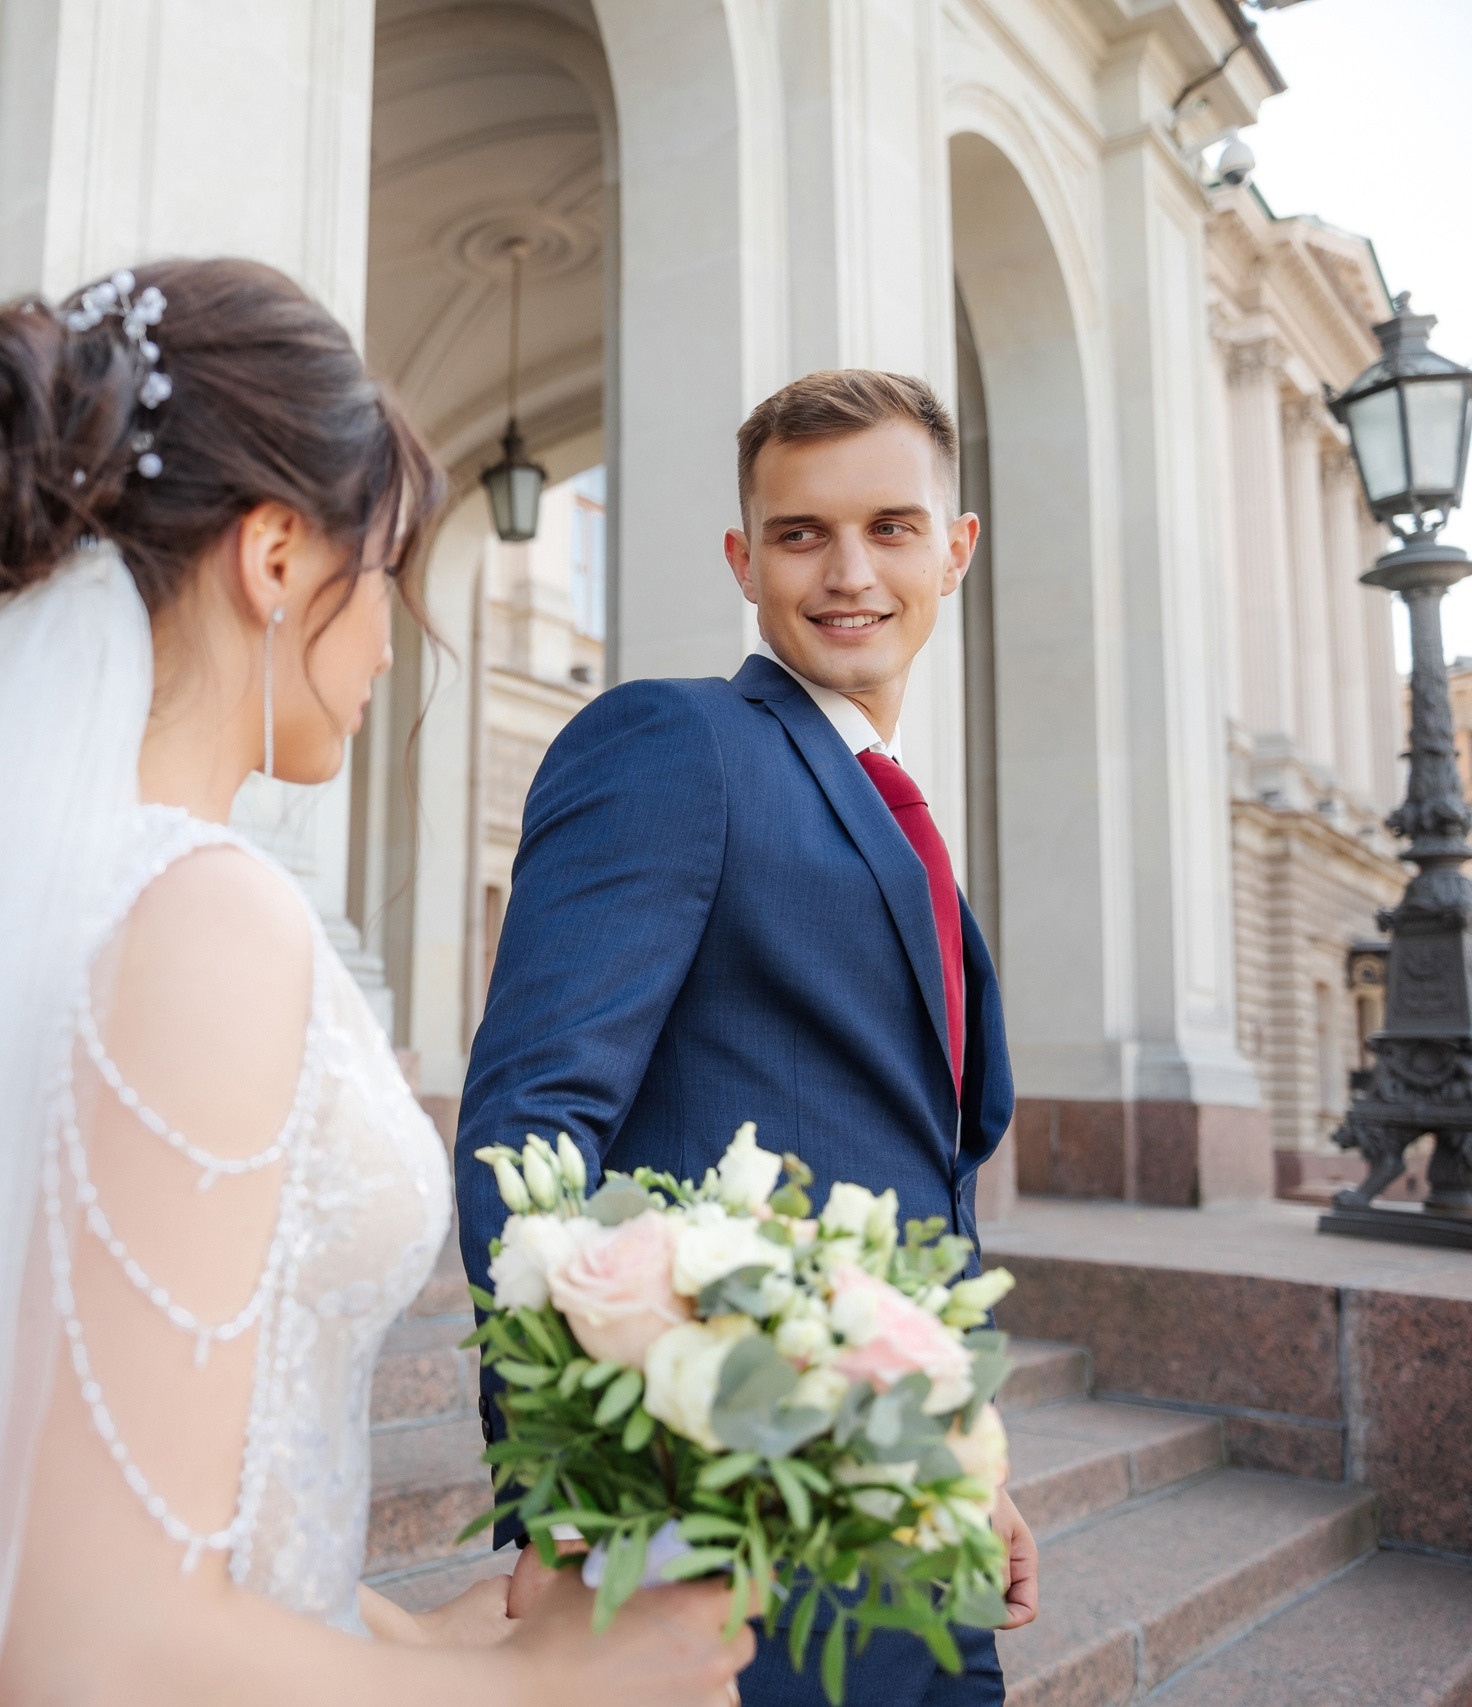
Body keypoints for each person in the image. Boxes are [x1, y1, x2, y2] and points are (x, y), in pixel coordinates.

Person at [0, 258, 752, 1707]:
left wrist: (430, 1641)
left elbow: (77, 1472)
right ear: (277, 555)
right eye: (387, 572)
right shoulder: (200, 918)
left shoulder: (52, 892)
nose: (392, 640)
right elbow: (92, 1651)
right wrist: (552, 1689)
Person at [455, 370, 1042, 1707]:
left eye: (892, 527)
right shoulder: (675, 744)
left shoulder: (895, 812)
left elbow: (909, 1179)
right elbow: (530, 1130)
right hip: (717, 1528)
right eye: (800, 533)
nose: (850, 572)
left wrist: (959, 1452)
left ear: (956, 548)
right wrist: (568, 1497)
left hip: (908, 1502)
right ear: (742, 560)